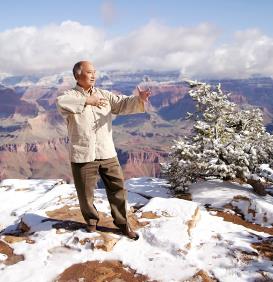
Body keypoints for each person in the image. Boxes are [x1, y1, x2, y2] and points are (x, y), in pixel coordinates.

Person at [56, 61, 150, 240]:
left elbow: (121, 104)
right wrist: (87, 101)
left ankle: (123, 224)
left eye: (94, 72)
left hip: (107, 152)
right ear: (78, 75)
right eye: (89, 72)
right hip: (83, 154)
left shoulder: (104, 94)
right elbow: (61, 103)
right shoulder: (69, 95)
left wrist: (139, 100)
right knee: (85, 194)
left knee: (118, 189)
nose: (93, 75)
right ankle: (91, 223)